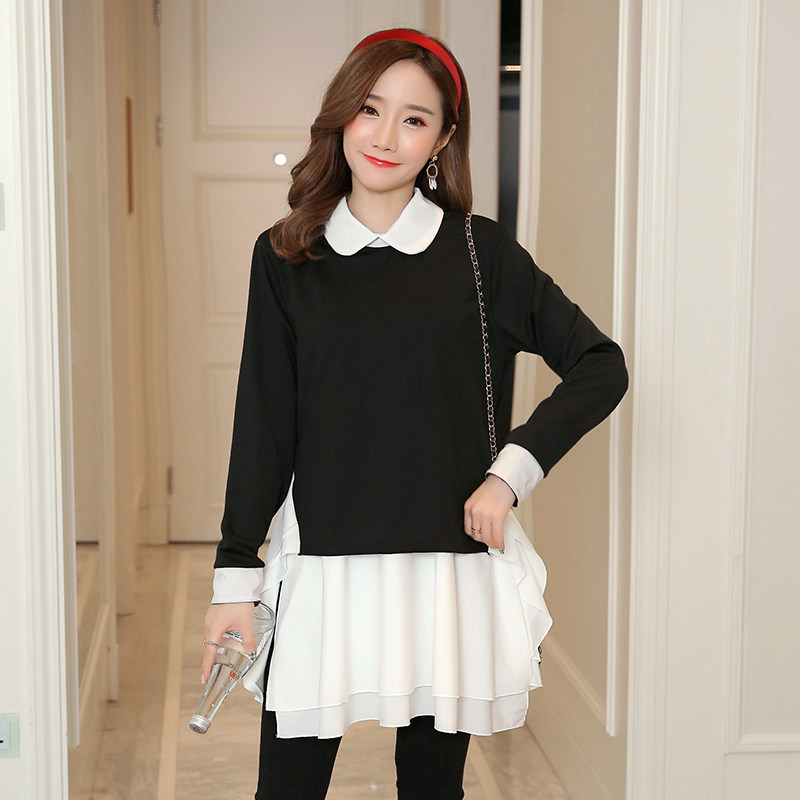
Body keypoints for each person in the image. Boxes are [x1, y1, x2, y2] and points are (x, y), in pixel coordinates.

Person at [201, 28, 628, 800]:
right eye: (370, 109)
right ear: (342, 114)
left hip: (445, 572)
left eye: (414, 119)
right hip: (323, 566)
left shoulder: (481, 254)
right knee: (287, 789)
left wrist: (509, 476)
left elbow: (600, 364)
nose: (385, 136)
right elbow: (263, 423)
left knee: (431, 789)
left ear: (442, 140)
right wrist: (234, 578)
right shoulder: (287, 255)